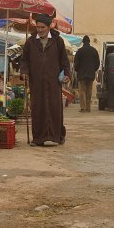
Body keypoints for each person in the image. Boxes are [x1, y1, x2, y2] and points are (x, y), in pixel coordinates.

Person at [20, 14, 71, 146]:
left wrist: (67, 74)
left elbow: (64, 61)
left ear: (49, 27)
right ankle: (38, 139)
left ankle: (58, 136)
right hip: (36, 82)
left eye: (42, 27)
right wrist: (24, 72)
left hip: (54, 82)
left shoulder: (58, 41)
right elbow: (24, 61)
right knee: (38, 109)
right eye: (38, 27)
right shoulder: (30, 42)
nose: (40, 30)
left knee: (55, 109)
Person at [74, 35, 100, 112]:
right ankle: (88, 108)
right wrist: (93, 70)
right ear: (89, 41)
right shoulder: (94, 50)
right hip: (91, 74)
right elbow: (97, 63)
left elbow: (76, 63)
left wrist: (78, 70)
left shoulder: (80, 51)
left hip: (82, 74)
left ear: (83, 42)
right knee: (89, 91)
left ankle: (83, 107)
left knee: (82, 91)